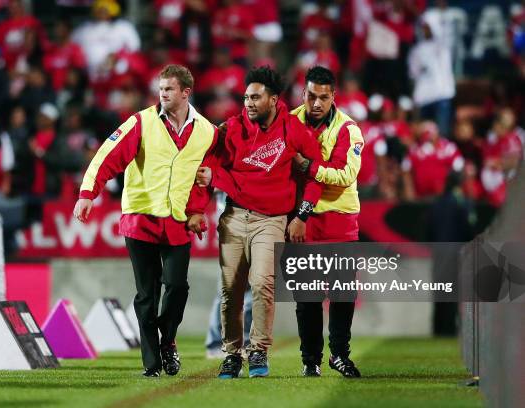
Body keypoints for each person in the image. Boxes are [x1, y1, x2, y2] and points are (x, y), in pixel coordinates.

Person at [73, 65, 217, 377]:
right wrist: (88, 193)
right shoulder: (140, 122)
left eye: (169, 89)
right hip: (141, 218)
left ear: (185, 92)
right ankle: (152, 363)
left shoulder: (207, 131)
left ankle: (168, 340)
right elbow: (107, 155)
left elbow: (205, 179)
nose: (162, 94)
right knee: (146, 294)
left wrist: (197, 210)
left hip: (178, 222)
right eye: (160, 88)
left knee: (177, 287)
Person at [196, 66, 323, 378]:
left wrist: (302, 215)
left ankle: (258, 352)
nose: (248, 103)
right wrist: (198, 209)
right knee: (230, 290)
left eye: (255, 97)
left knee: (263, 284)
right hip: (234, 215)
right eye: (246, 98)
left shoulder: (293, 130)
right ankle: (231, 353)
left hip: (272, 220)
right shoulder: (231, 130)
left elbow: (316, 174)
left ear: (274, 100)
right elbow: (205, 171)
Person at [291, 66, 364, 378]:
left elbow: (346, 176)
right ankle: (311, 360)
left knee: (342, 294)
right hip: (302, 221)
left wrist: (309, 166)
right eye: (311, 96)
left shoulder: (349, 130)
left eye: (323, 97)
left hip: (339, 220)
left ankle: (339, 354)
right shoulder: (290, 121)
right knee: (306, 298)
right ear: (303, 94)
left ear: (334, 96)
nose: (316, 103)